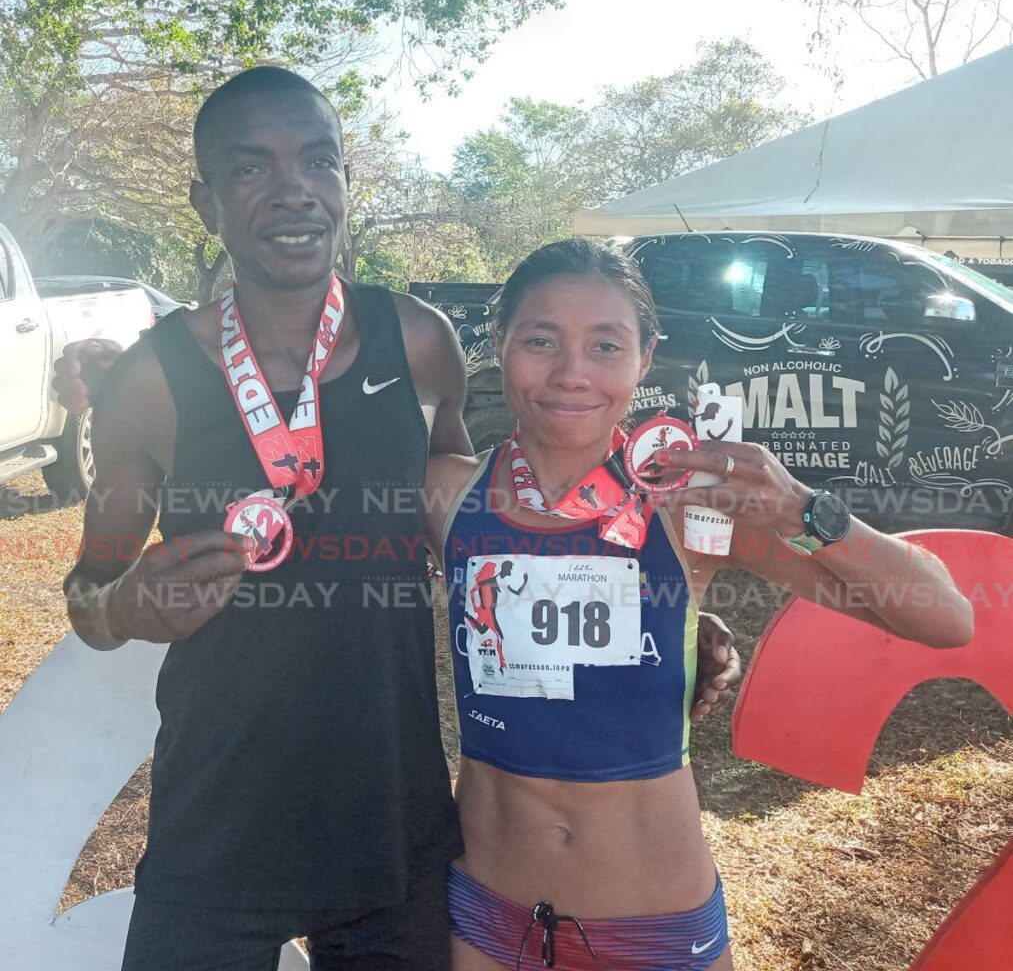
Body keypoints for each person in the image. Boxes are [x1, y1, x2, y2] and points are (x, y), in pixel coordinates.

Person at [58, 68, 740, 971]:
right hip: (214, 823)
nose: (293, 190)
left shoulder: (418, 342)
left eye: (318, 162)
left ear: (345, 184)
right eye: (251, 168)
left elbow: (477, 526)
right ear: (204, 199)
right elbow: (87, 593)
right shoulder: (148, 379)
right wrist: (125, 608)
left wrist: (656, 610)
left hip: (393, 824)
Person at [417, 239, 974, 971]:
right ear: (499, 345)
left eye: (606, 345)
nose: (571, 372)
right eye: (540, 340)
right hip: (487, 918)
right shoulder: (445, 495)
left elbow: (943, 618)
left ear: (646, 358)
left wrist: (803, 508)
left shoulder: (688, 506)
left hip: (652, 927)